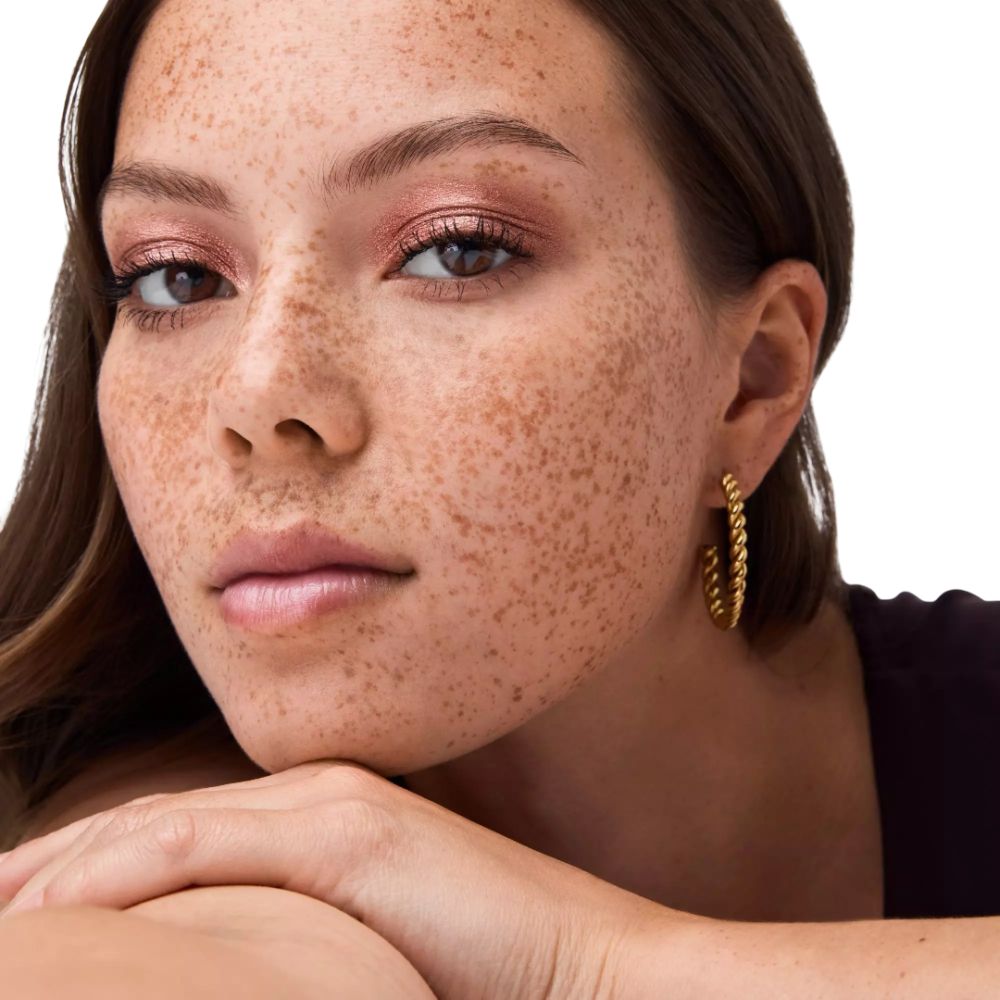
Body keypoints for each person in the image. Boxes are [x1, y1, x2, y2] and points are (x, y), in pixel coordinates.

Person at [0, 0, 997, 995]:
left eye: (458, 248)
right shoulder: (149, 861)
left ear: (752, 376)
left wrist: (591, 961)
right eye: (175, 277)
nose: (260, 395)